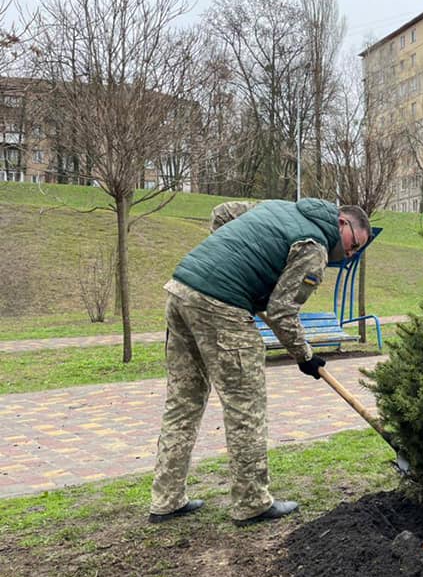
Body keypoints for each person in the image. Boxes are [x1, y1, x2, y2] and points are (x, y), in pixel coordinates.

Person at [148, 198, 372, 526]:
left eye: (356, 252)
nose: (351, 254)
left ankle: (166, 499)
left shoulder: (279, 208)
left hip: (182, 289)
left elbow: (221, 213)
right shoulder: (315, 247)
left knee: (183, 403)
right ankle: (252, 502)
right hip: (222, 306)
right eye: (354, 245)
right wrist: (305, 357)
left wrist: (230, 259)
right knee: (245, 407)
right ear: (342, 223)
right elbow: (283, 311)